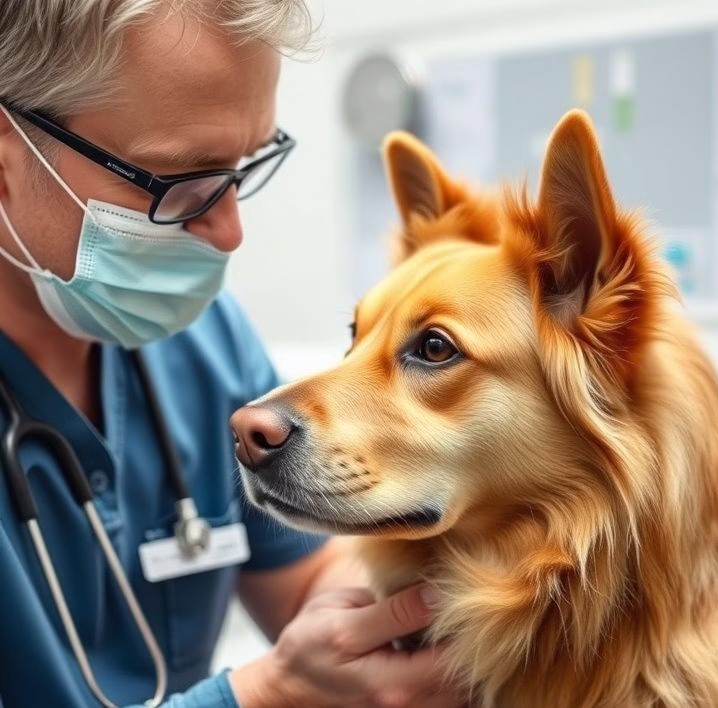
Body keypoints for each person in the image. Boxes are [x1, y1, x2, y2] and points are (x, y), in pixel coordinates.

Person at [0, 2, 465, 707]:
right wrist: (266, 694)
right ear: (7, 162)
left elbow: (308, 581)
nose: (229, 233)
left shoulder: (200, 339)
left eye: (243, 167)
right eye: (181, 183)